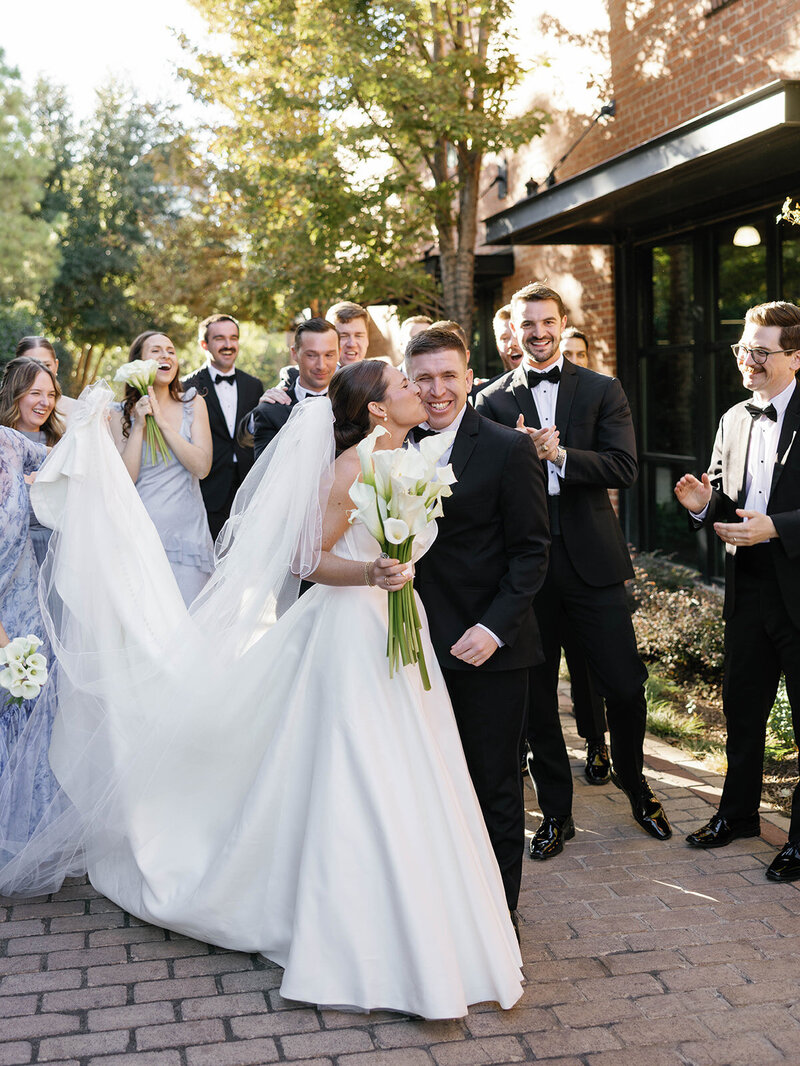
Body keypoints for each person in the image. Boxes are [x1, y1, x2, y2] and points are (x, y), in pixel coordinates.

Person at [0, 361, 523, 1019]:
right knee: (357, 776)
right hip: (348, 636)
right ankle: (354, 932)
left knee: (415, 772)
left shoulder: (404, 456)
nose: (420, 391)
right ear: (380, 409)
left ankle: (429, 923)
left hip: (396, 630)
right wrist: (372, 570)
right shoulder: (353, 466)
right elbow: (306, 558)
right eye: (405, 386)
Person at [477, 281, 671, 859]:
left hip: (594, 565)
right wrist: (516, 457)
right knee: (537, 699)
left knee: (626, 687)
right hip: (527, 574)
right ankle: (557, 815)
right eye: (526, 325)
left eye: (547, 322)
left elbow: (624, 466)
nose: (537, 334)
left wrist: (560, 454)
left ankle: (637, 787)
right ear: (513, 330)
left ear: (563, 322)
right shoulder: (490, 401)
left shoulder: (601, 389)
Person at [406, 327, 550, 920]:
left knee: (494, 784)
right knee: (424, 784)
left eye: (448, 376)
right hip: (408, 646)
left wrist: (492, 629)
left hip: (488, 650)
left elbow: (532, 551)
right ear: (409, 383)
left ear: (470, 378)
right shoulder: (385, 447)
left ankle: (497, 915)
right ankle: (438, 907)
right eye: (424, 378)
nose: (437, 390)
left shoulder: (507, 448)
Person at [676, 301, 800, 882]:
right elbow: (727, 499)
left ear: (795, 357)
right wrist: (705, 506)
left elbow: (773, 516)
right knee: (742, 709)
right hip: (747, 587)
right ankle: (737, 815)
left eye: (761, 351)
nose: (747, 361)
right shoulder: (732, 419)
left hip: (799, 591)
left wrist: (777, 526)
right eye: (743, 349)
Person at [111, 331, 214, 606]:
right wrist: (139, 426)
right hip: (140, 531)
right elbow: (125, 479)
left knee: (191, 619)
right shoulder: (118, 413)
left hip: (188, 535)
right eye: (156, 351)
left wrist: (164, 425)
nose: (166, 355)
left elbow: (202, 467)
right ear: (138, 362)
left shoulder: (194, 402)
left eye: (170, 350)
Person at [183, 314, 264, 540]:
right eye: (220, 338)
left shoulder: (254, 385)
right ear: (204, 344)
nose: (228, 345)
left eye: (233, 338)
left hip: (248, 490)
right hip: (208, 490)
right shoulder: (186, 388)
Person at [243, 318, 340, 459]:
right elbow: (265, 474)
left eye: (329, 355)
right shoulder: (271, 411)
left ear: (339, 352)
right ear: (294, 353)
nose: (321, 365)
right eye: (311, 355)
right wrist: (260, 410)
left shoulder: (353, 405)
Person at [0, 357, 64, 565]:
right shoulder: (4, 446)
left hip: (55, 563)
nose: (45, 403)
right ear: (14, 394)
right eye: (35, 393)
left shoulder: (62, 446)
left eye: (51, 395)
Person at [14, 336, 76, 424]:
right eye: (30, 366)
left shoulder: (76, 410)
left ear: (56, 366)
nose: (40, 372)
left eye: (46, 365)